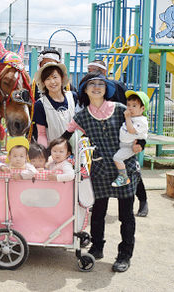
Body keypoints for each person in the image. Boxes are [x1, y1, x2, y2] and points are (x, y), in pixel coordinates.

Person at [62, 72, 145, 273]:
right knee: (98, 213)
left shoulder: (121, 110)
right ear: (85, 90)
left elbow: (141, 129)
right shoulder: (81, 116)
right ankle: (97, 247)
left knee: (126, 215)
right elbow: (65, 136)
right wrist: (48, 155)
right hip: (99, 169)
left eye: (101, 84)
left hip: (124, 168)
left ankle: (125, 254)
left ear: (106, 89)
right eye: (92, 84)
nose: (97, 87)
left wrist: (141, 143)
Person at [86, 60, 148, 216]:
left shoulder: (117, 86)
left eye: (95, 70)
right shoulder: (90, 90)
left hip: (125, 135)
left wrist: (141, 141)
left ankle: (143, 200)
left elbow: (136, 112)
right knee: (103, 172)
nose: (91, 74)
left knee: (131, 170)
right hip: (103, 138)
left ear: (104, 73)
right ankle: (98, 202)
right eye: (89, 70)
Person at [32, 62, 78, 147]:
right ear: (43, 82)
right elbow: (41, 134)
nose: (52, 82)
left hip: (75, 149)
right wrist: (44, 153)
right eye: (47, 79)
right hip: (54, 152)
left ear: (62, 78)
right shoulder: (40, 104)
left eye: (55, 77)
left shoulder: (73, 97)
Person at [112, 91, 149, 188]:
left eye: (134, 106)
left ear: (142, 108)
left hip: (130, 146)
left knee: (117, 158)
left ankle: (123, 177)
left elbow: (131, 130)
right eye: (128, 105)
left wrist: (127, 118)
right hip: (124, 144)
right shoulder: (134, 117)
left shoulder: (142, 121)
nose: (130, 108)